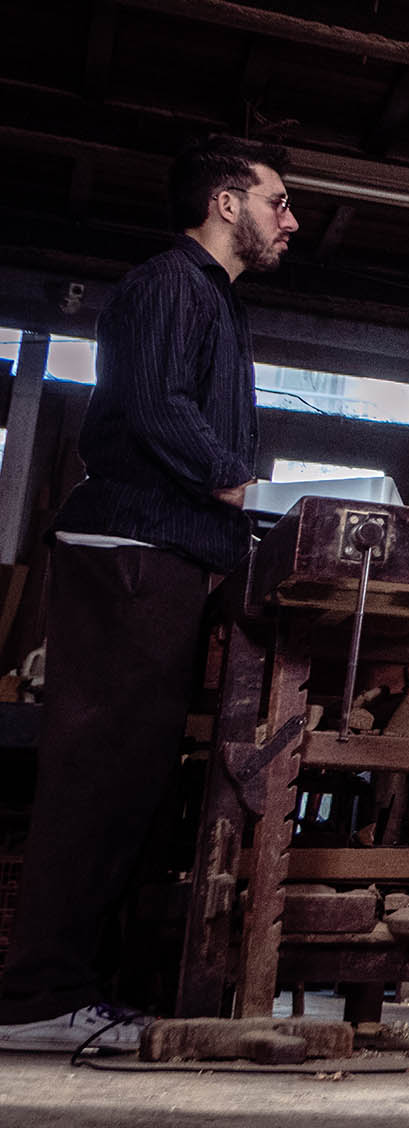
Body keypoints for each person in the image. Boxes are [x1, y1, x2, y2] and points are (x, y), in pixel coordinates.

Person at [0, 135, 297, 1054]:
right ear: (225, 202)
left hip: (165, 550)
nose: (291, 221)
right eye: (278, 201)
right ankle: (39, 999)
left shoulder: (215, 299)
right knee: (97, 774)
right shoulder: (170, 283)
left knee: (133, 778)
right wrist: (231, 479)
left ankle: (80, 991)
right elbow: (156, 402)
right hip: (133, 546)